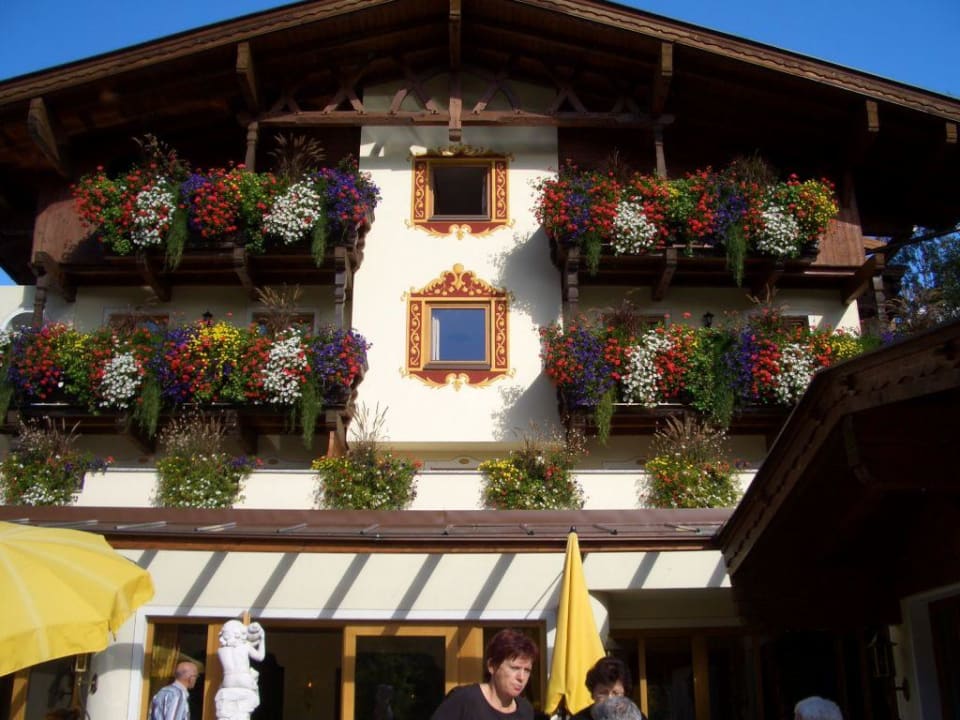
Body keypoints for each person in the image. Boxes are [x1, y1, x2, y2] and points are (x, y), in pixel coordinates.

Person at [430, 628, 539, 719]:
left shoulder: (525, 710)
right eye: (514, 668)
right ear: (492, 666)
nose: (521, 677)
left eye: (527, 670)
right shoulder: (464, 700)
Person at [214, 619, 266, 720]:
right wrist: (262, 639)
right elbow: (260, 657)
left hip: (228, 680)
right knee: (243, 712)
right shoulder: (245, 646)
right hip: (244, 679)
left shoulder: (221, 650)